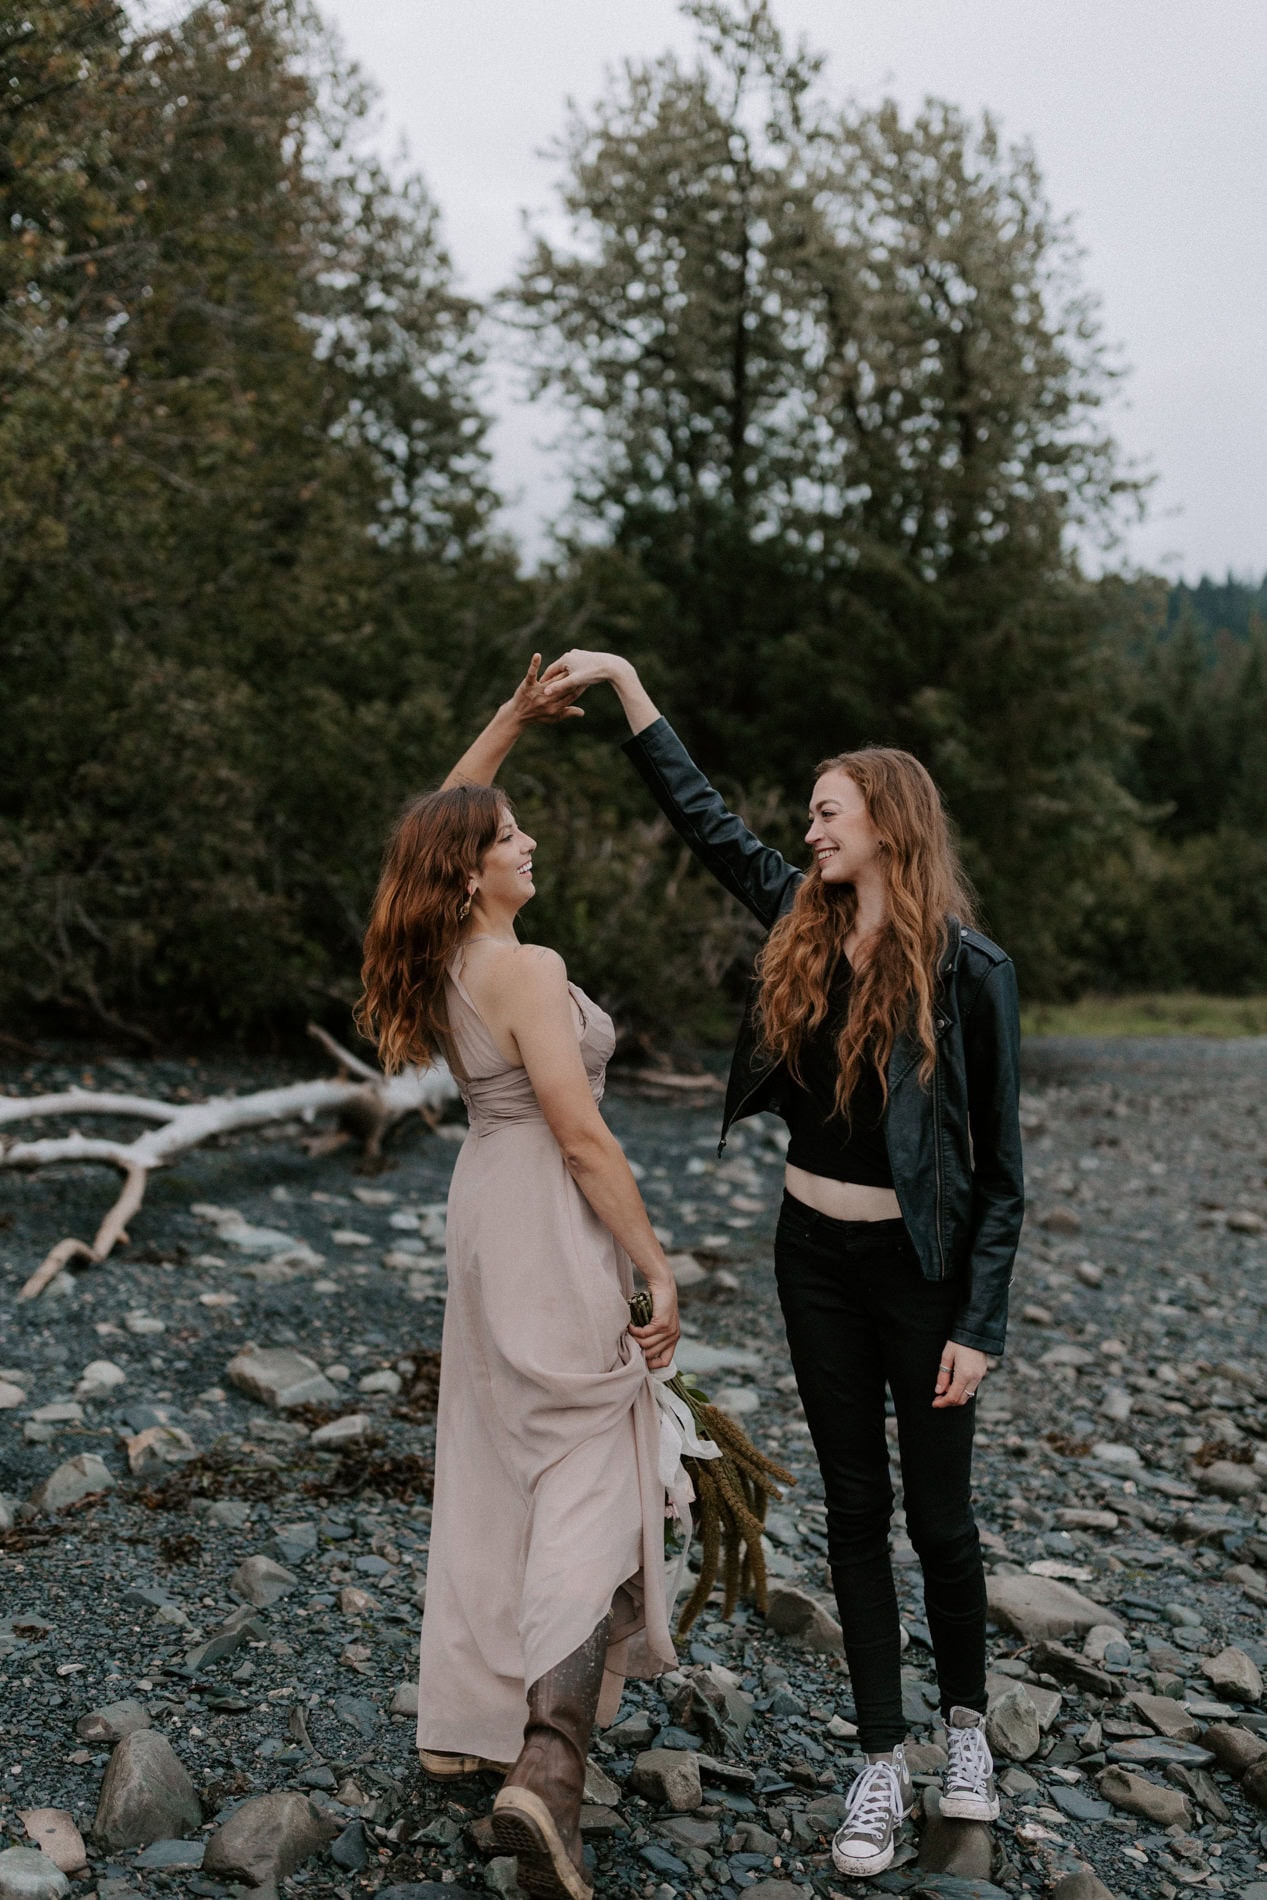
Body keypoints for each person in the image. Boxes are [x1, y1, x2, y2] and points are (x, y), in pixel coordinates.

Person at [539, 649, 1024, 1880]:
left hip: (921, 1272)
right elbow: (703, 821)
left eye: (826, 811)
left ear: (887, 828)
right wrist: (635, 687)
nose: (805, 828)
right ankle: (877, 1759)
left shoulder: (971, 973)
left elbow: (1002, 1171)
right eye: (809, 814)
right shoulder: (799, 922)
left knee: (940, 1516)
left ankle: (967, 1738)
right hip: (809, 1258)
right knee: (856, 1510)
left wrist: (981, 1318)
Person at [356, 657, 680, 1900]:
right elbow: (583, 1133)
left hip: (483, 1210)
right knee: (591, 1459)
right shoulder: (527, 970)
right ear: (472, 870)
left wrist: (503, 723)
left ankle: (464, 1714)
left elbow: (435, 820)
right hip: (547, 1204)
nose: (525, 838)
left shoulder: (440, 952)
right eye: (509, 835)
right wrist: (655, 1265)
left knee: (496, 1453)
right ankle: (546, 1768)